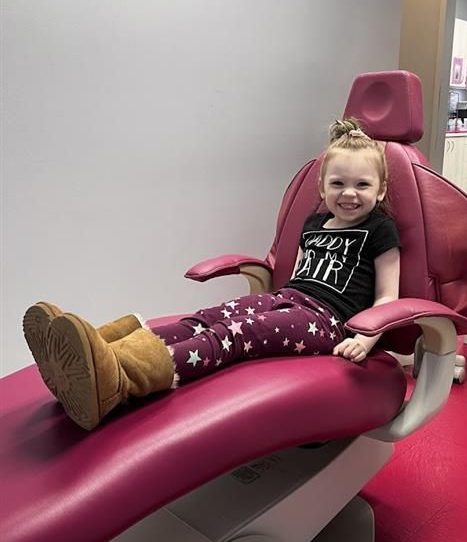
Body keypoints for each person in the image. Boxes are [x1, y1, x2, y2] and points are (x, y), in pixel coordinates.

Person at [23, 119, 401, 431]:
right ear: (321, 186)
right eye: (338, 183)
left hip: (327, 321)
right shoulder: (314, 222)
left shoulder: (380, 229)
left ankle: (122, 381)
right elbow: (297, 277)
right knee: (206, 318)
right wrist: (269, 302)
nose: (349, 193)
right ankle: (98, 351)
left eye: (362, 185)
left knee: (234, 335)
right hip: (287, 299)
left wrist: (363, 340)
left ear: (380, 189)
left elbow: (388, 298)